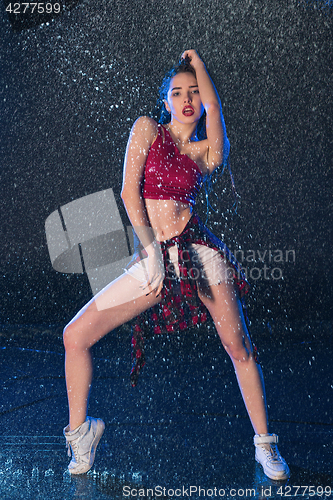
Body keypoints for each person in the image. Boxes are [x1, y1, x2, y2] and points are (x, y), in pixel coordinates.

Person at [63, 50, 290, 481]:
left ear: (202, 100)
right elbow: (131, 194)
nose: (187, 100)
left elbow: (217, 125)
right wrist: (148, 251)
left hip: (199, 252)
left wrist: (203, 66)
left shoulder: (206, 152)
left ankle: (265, 446)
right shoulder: (147, 129)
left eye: (194, 93)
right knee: (74, 336)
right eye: (177, 92)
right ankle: (81, 434)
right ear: (165, 100)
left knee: (238, 347)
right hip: (154, 253)